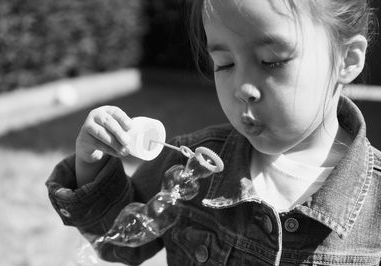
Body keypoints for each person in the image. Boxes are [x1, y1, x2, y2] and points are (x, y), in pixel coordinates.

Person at [46, 0, 381, 265]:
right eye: (225, 64)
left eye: (271, 60)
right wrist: (91, 163)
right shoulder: (193, 166)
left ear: (347, 59)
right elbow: (119, 241)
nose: (242, 88)